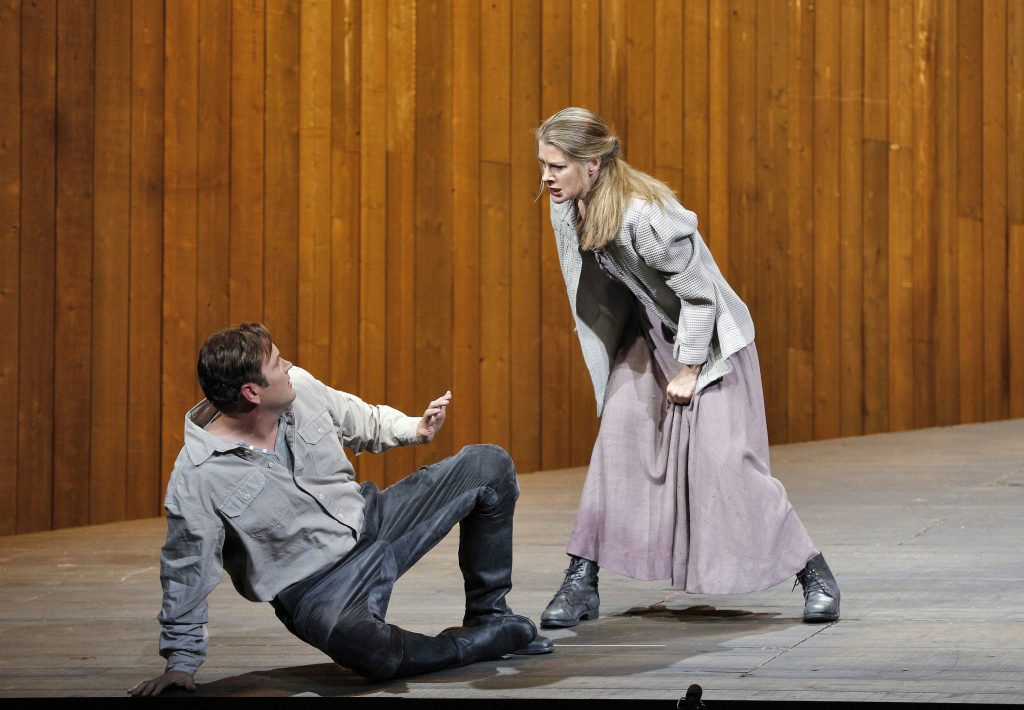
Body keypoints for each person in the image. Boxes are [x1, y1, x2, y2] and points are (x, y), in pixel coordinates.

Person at [534, 107, 840, 629]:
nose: (545, 177)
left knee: (726, 463)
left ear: (594, 163)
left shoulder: (646, 216)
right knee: (617, 443)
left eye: (557, 166)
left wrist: (690, 368)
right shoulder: (571, 206)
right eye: (543, 164)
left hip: (711, 342)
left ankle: (813, 572)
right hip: (649, 335)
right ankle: (581, 580)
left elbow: (703, 301)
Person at [129, 323, 552, 696]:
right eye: (277, 363)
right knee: (371, 653)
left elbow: (359, 419)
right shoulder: (199, 475)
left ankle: (489, 615)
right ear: (252, 392)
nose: (288, 365)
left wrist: (413, 428)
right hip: (319, 589)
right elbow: (187, 569)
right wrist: (181, 663)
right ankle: (482, 642)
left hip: (371, 520)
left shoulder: (299, 389)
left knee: (488, 465)